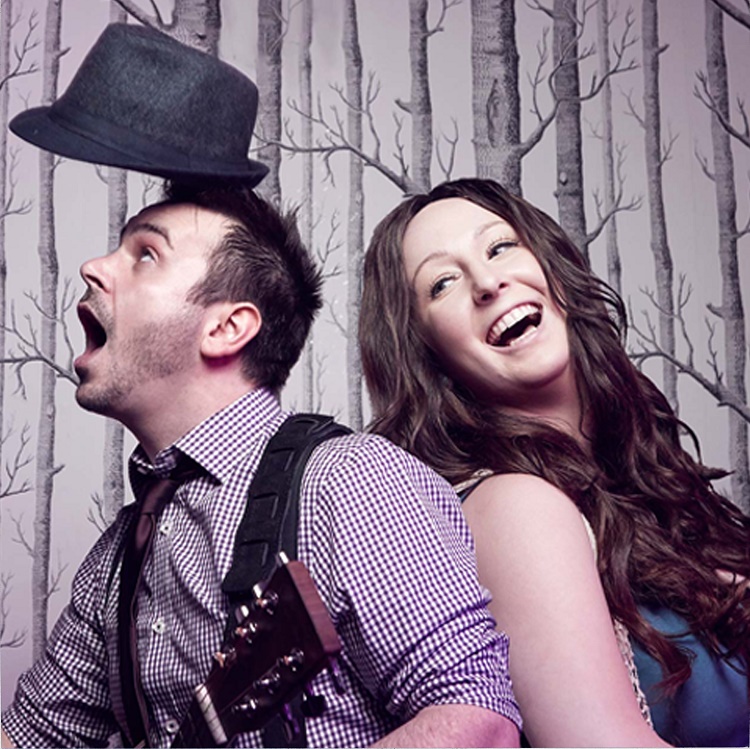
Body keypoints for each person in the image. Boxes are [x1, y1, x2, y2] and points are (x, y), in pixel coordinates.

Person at [2, 26, 521, 749]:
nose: (93, 267)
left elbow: (477, 724)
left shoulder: (352, 486)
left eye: (145, 254)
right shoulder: (118, 560)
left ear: (227, 327)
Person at [359, 177, 750, 747]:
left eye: (499, 247)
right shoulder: (515, 506)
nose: (487, 283)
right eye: (442, 283)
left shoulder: (634, 476)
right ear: (426, 355)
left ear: (553, 269)